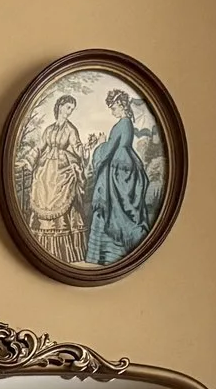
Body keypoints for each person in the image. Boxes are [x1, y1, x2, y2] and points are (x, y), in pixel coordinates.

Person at [85, 87, 153, 267]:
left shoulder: (122, 123)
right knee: (117, 210)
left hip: (116, 169)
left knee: (112, 210)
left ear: (120, 105)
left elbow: (111, 148)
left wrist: (99, 145)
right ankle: (110, 256)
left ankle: (107, 256)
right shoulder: (128, 122)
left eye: (113, 107)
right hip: (125, 165)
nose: (112, 111)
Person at [20, 93, 87, 265]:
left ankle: (64, 252)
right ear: (59, 106)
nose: (69, 111)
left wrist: (84, 151)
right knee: (42, 192)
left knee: (62, 200)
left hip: (62, 169)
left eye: (72, 109)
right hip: (45, 170)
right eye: (68, 107)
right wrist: (27, 160)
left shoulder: (71, 129)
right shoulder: (49, 129)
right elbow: (40, 147)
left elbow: (77, 146)